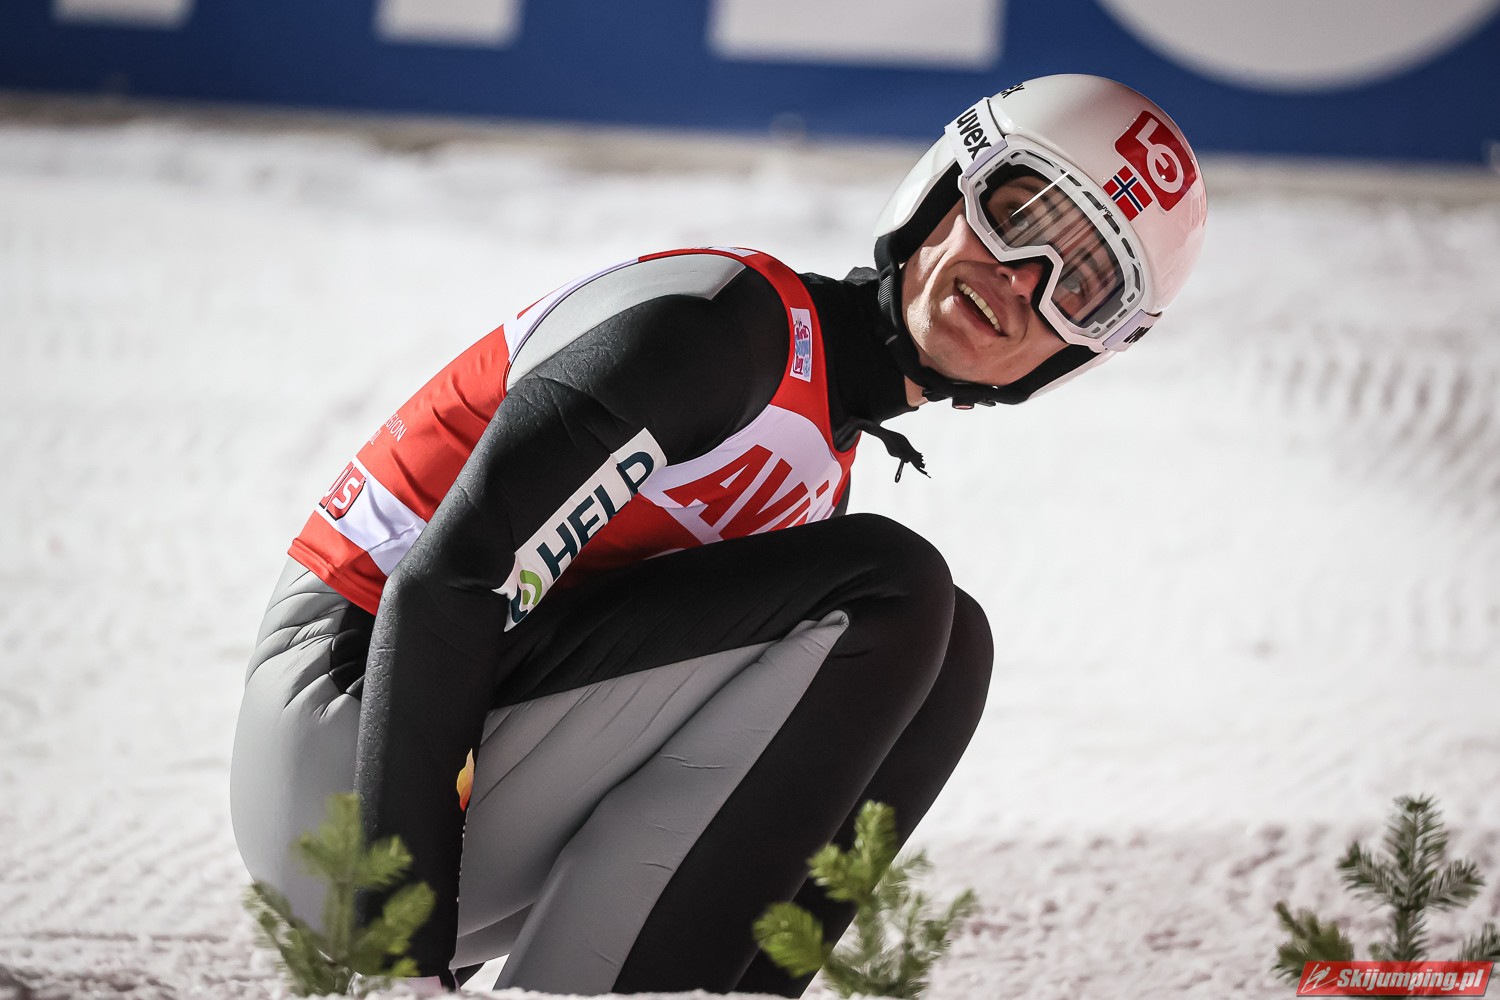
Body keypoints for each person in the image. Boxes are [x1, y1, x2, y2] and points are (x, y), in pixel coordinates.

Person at [229, 73, 1207, 996]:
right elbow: (450, 583)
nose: (1023, 279)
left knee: (949, 651)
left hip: (456, 776)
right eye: (1018, 217)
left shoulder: (819, 457)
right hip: (346, 735)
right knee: (895, 593)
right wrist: (401, 958)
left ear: (1074, 353)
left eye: (1079, 288)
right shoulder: (725, 329)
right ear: (944, 191)